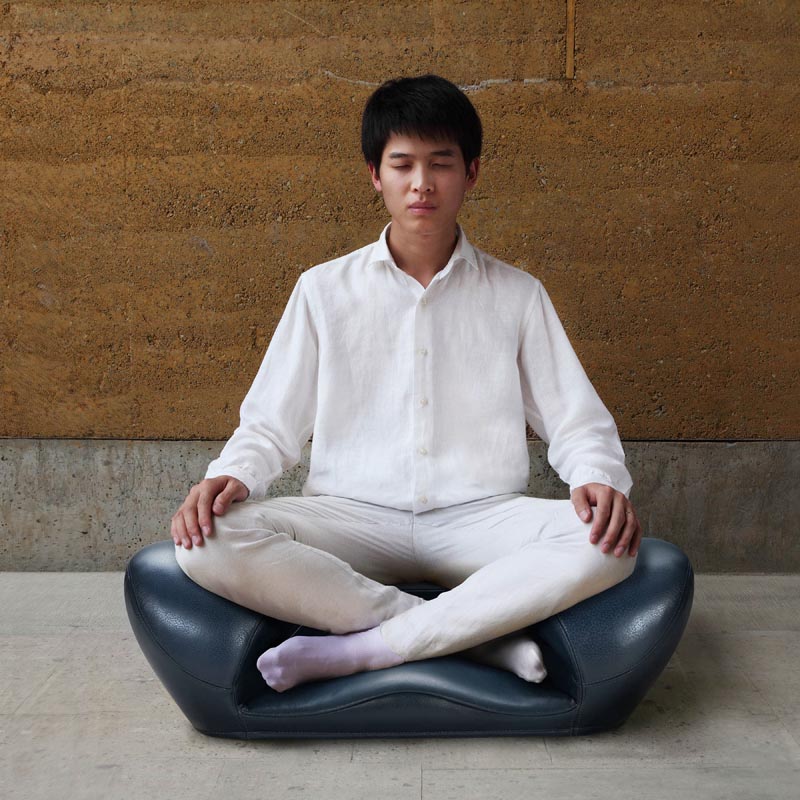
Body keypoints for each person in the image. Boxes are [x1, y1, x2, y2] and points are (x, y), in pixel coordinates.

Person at [171, 74, 642, 694]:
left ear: (471, 173)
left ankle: (367, 650)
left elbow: (575, 420)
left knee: (606, 543)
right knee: (208, 542)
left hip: (479, 515)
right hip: (350, 513)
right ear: (376, 174)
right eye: (403, 164)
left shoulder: (518, 295)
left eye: (441, 164)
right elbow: (270, 423)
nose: (422, 183)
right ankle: (470, 638)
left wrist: (597, 479)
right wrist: (232, 474)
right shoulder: (322, 290)